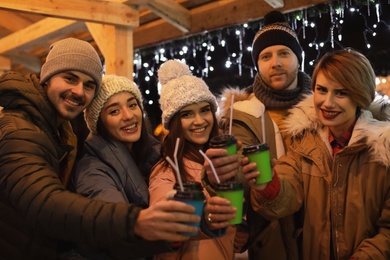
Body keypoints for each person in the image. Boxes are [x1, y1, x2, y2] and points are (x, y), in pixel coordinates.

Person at [0, 38, 201, 260]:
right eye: (70, 78)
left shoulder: (60, 129)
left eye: (88, 85)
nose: (78, 91)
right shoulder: (21, 130)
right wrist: (136, 222)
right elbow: (44, 204)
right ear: (46, 77)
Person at [245, 49, 390, 259]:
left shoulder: (382, 150)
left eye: (341, 93)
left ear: (360, 95)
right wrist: (267, 184)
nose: (327, 103)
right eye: (321, 90)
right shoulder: (304, 141)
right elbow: (288, 195)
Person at [202, 10, 312, 259]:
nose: (276, 63)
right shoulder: (240, 116)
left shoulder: (323, 110)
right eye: (266, 56)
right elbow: (238, 174)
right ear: (257, 64)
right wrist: (220, 172)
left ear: (298, 58)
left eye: (284, 53)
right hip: (271, 243)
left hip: (321, 239)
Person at [149, 59, 240, 259]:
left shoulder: (222, 159)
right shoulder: (167, 170)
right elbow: (162, 215)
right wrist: (202, 214)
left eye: (205, 110)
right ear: (173, 123)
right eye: (187, 114)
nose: (199, 121)